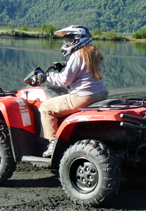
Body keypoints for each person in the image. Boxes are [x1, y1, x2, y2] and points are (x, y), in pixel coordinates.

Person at [35, 25, 109, 158]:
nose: (67, 43)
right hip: (100, 94)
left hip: (83, 96)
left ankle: (53, 143)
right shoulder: (93, 52)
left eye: (69, 39)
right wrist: (65, 64)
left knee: (46, 108)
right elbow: (83, 68)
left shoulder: (77, 55)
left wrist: (46, 76)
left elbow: (64, 81)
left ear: (77, 39)